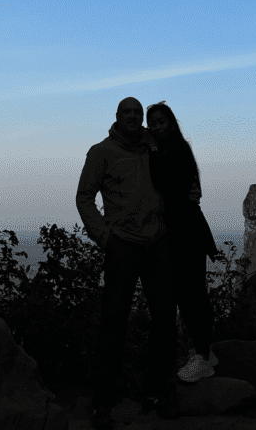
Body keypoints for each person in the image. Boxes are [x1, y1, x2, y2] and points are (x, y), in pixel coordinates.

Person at [76, 96, 220, 429]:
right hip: (123, 244)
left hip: (158, 242)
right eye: (127, 112)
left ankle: (157, 393)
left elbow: (181, 165)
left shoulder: (152, 146)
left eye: (137, 114)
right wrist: (104, 235)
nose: (134, 117)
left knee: (165, 318)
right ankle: (103, 402)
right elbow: (85, 196)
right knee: (114, 320)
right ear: (116, 116)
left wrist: (192, 189)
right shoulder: (101, 152)